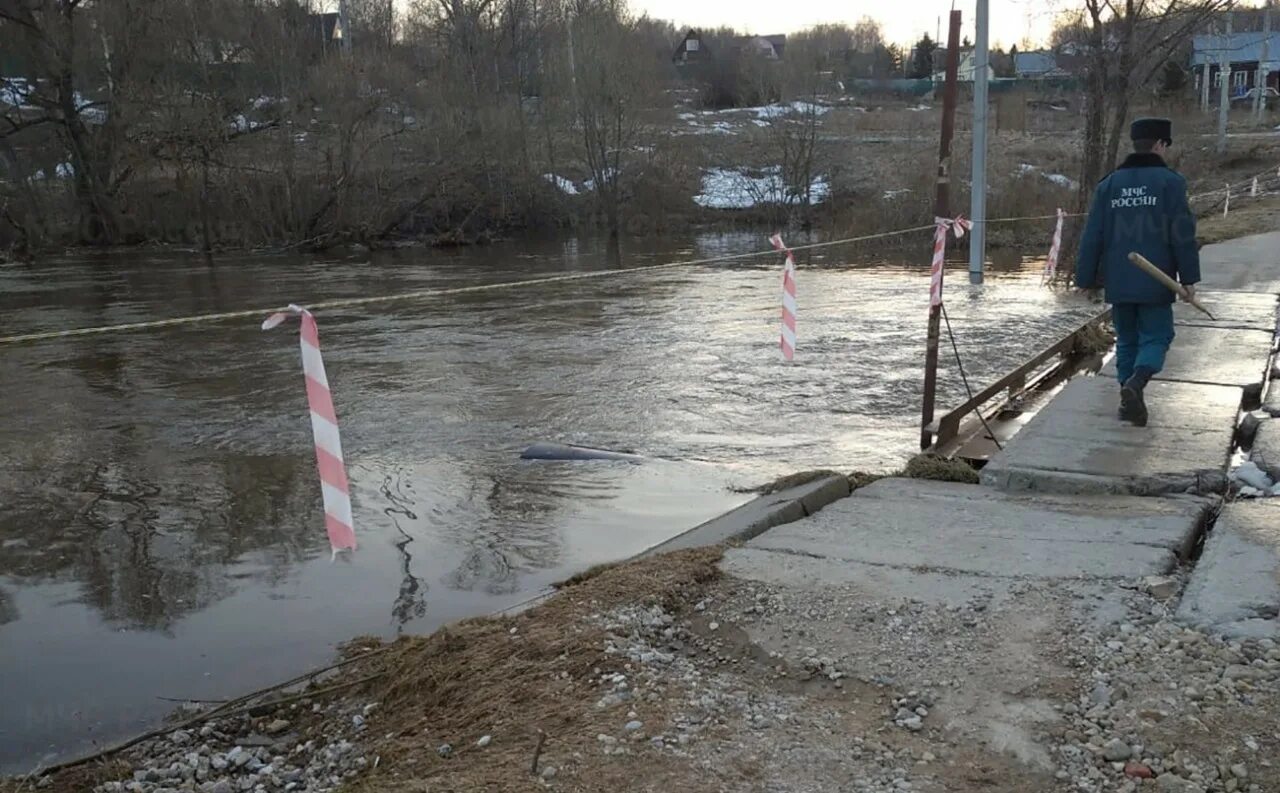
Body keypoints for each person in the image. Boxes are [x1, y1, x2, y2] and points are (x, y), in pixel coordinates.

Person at [1075, 117, 1200, 427]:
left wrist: (1085, 278)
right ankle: (1138, 382)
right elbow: (1182, 234)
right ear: (1160, 144)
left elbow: (1093, 236)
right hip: (1156, 281)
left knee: (1127, 340)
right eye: (1166, 145)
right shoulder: (1171, 183)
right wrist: (1189, 279)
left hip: (1119, 281)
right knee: (1158, 336)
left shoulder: (1109, 185)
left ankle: (1128, 401)